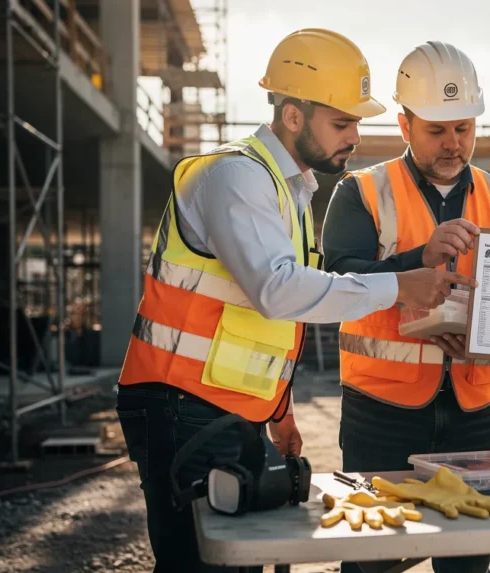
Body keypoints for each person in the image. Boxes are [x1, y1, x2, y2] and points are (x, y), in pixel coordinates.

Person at [114, 29, 471, 573]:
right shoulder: (237, 176)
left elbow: (257, 317)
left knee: (240, 559)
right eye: (342, 122)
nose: (354, 135)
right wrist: (401, 284)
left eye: (356, 122)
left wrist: (277, 412)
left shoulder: (290, 189)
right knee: (203, 563)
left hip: (221, 408)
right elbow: (278, 292)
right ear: (294, 115)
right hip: (181, 406)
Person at [322, 41, 490, 573]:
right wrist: (418, 257)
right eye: (437, 130)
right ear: (404, 126)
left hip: (476, 412)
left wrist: (486, 335)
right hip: (382, 413)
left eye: (463, 128)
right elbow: (334, 285)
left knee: (466, 560)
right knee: (372, 558)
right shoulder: (361, 192)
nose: (453, 143)